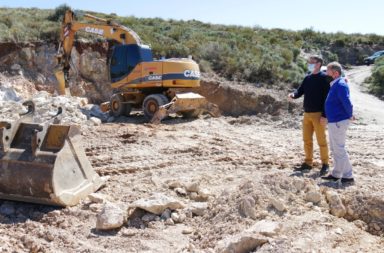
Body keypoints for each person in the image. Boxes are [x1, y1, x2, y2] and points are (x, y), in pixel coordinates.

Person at [288, 55, 330, 176]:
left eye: (312, 62)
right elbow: (300, 91)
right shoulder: (308, 78)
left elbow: (327, 98)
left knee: (321, 140)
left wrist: (324, 115)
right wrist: (293, 95)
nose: (309, 63)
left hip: (318, 115)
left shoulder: (325, 78)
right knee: (307, 140)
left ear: (319, 64)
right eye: (309, 62)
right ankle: (308, 163)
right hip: (306, 114)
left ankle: (325, 164)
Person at [321, 62, 354, 183]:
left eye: (327, 71)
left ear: (335, 73)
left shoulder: (340, 84)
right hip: (334, 121)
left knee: (339, 149)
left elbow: (346, 101)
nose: (325, 74)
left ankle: (348, 175)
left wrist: (350, 114)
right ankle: (336, 173)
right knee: (335, 149)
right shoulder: (335, 84)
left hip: (339, 121)